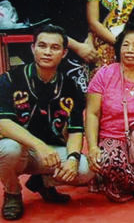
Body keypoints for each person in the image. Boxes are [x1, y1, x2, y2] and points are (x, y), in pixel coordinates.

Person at [0, 26, 94, 220]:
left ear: (64, 53)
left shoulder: (71, 86)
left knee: (86, 169)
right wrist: (38, 145)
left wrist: (73, 158)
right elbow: (3, 123)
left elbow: (76, 129)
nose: (47, 52)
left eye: (54, 47)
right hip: (20, 150)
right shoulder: (10, 79)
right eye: (42, 46)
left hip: (50, 153)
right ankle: (12, 192)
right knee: (8, 148)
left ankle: (42, 183)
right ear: (33, 48)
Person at [85, 23, 134, 202]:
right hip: (111, 139)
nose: (130, 50)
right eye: (125, 45)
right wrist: (91, 147)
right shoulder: (104, 74)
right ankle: (114, 177)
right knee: (109, 160)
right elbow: (92, 113)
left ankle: (117, 181)